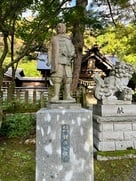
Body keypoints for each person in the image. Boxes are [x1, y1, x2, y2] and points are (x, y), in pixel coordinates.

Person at [48, 23, 75, 102]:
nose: (58, 29)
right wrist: (49, 60)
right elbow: (50, 50)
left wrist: (70, 54)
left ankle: (68, 95)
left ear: (64, 28)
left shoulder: (68, 39)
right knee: (57, 78)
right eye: (57, 27)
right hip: (57, 61)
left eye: (60, 27)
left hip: (67, 61)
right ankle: (56, 96)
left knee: (68, 78)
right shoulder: (54, 38)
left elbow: (72, 50)